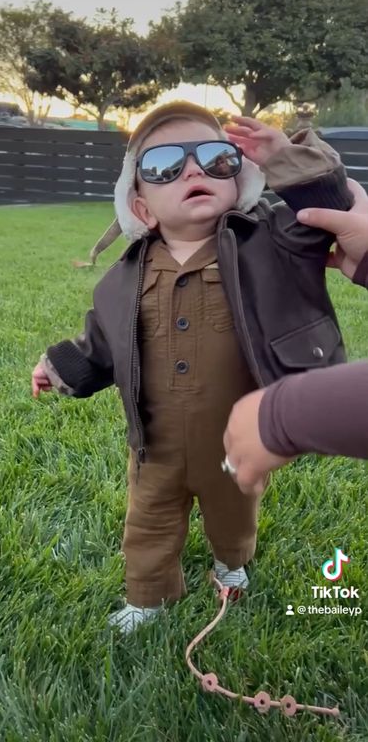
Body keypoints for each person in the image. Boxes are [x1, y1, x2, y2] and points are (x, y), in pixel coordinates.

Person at [31, 101, 353, 634]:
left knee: (233, 514)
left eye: (215, 158)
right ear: (142, 208)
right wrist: (59, 365)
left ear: (242, 182)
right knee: (148, 521)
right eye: (164, 166)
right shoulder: (120, 281)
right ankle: (149, 599)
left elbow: (329, 207)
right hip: (153, 443)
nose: (194, 170)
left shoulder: (272, 241)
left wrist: (287, 158)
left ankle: (231, 565)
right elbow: (102, 344)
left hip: (237, 437)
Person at [223, 184, 368, 497]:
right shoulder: (130, 273)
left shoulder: (267, 230)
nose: (193, 169)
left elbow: (326, 201)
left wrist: (284, 415)